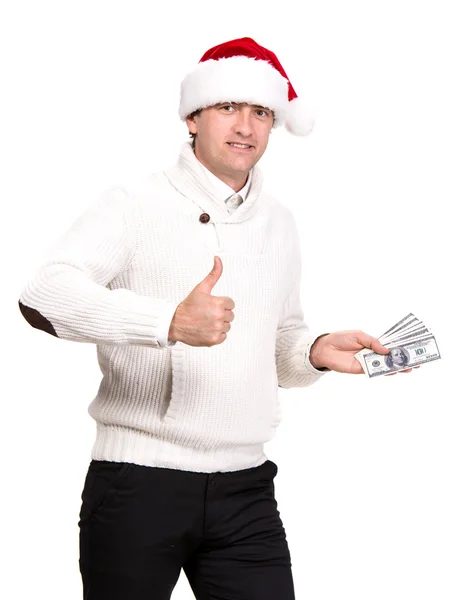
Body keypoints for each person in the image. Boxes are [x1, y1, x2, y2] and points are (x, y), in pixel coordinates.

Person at [18, 37, 415, 600]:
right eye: (228, 106)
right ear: (192, 117)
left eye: (260, 112)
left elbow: (279, 346)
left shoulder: (280, 222)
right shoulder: (133, 202)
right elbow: (43, 295)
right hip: (138, 484)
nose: (246, 127)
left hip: (246, 490)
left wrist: (313, 350)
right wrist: (167, 322)